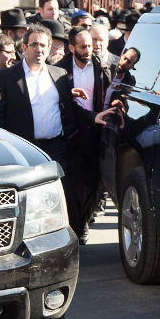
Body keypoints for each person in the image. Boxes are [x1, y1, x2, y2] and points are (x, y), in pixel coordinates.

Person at [0, 25, 81, 228]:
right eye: (34, 45)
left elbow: (70, 109)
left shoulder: (60, 75)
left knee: (60, 196)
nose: (39, 49)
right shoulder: (6, 77)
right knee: (27, 200)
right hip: (24, 149)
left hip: (56, 147)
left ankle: (65, 234)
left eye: (43, 45)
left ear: (49, 48)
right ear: (25, 48)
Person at [66, 27, 110, 243]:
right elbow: (64, 104)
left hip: (97, 132)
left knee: (95, 183)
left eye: (90, 46)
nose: (88, 50)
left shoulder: (102, 67)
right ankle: (78, 225)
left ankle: (83, 220)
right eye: (83, 46)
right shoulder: (60, 69)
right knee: (74, 184)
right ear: (72, 47)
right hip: (72, 133)